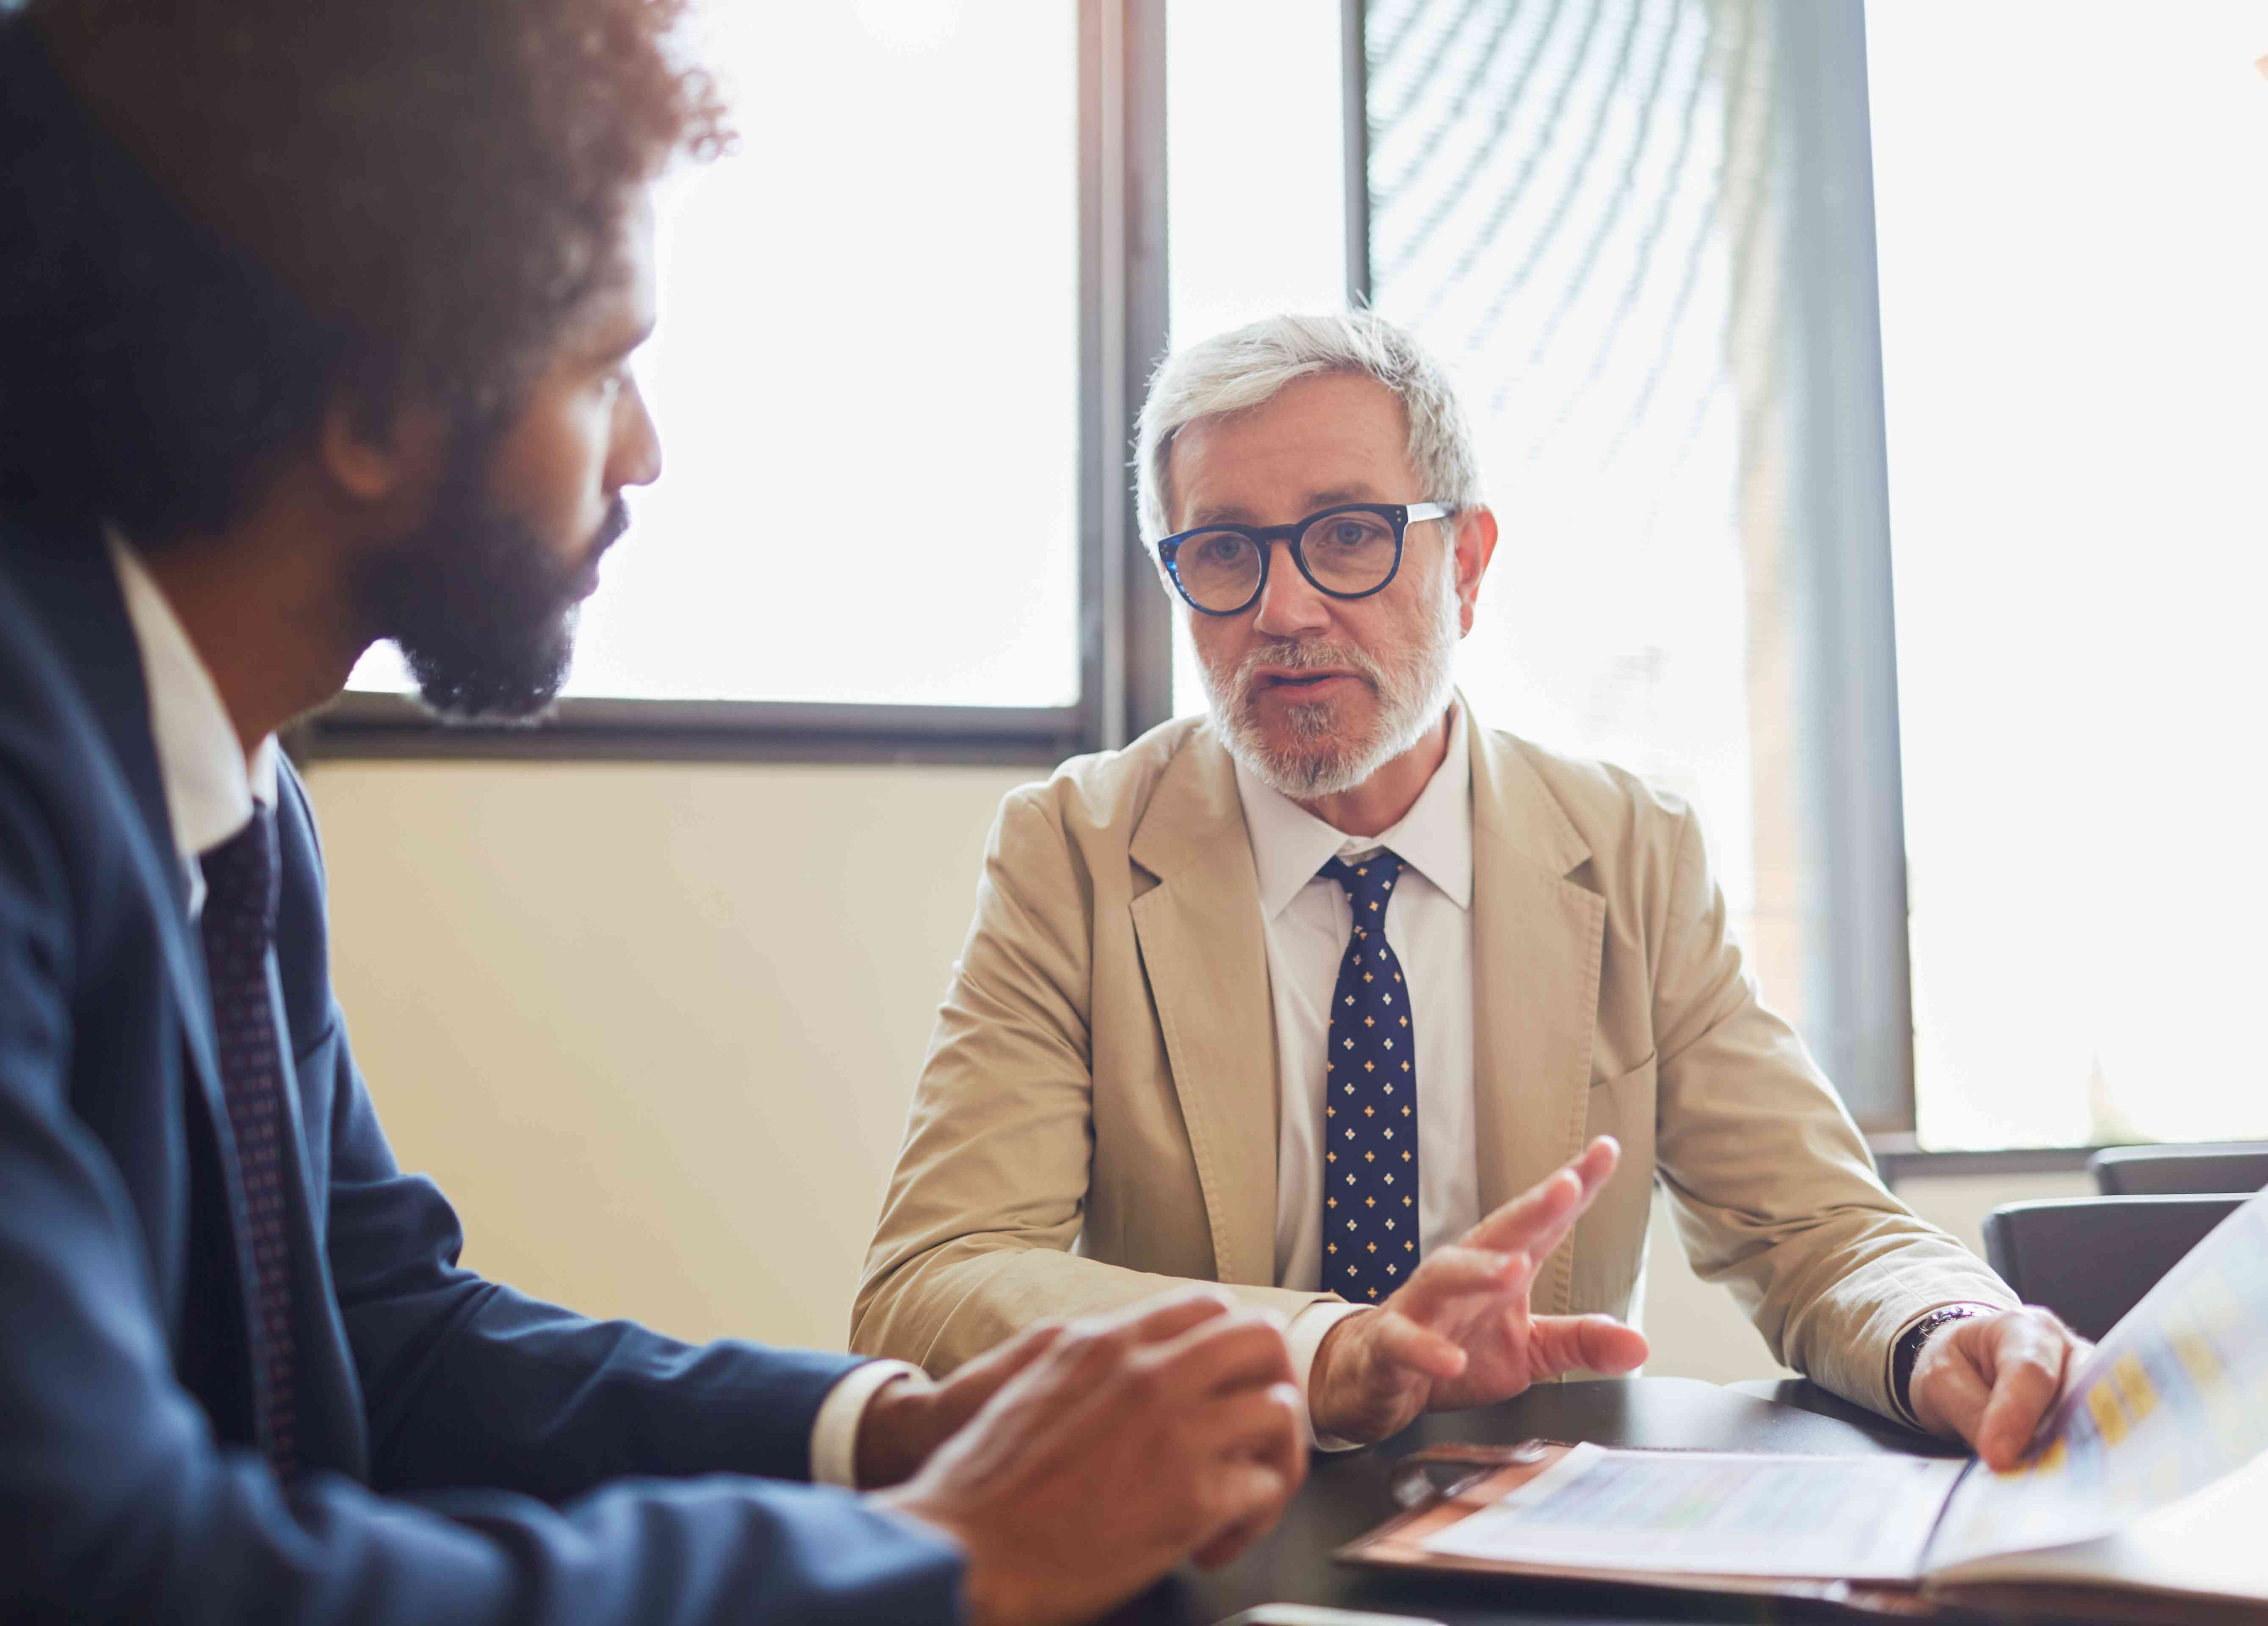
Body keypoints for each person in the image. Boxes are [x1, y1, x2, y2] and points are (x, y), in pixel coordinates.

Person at [0, 5, 1303, 1622]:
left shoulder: (228, 786)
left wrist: (890, 1442)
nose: (649, 449)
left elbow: (384, 1337)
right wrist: (962, 1558)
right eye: (607, 368)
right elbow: (110, 1567)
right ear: (377, 412)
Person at [857, 310, 2085, 1462]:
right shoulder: (1072, 850)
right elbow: (934, 1282)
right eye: (1224, 550)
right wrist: (1321, 1351)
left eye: (1347, 534)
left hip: (1541, 1536)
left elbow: (1814, 1227)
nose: (1282, 609)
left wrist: (1939, 1327)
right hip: (1203, 1527)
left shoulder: (1631, 849)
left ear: (1470, 562)